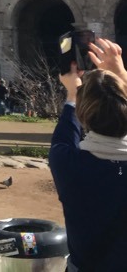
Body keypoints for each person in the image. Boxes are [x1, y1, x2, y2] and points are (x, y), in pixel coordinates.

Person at [50, 37, 127, 272]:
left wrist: (73, 93)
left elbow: (67, 129)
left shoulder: (66, 163)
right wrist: (121, 74)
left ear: (85, 116)